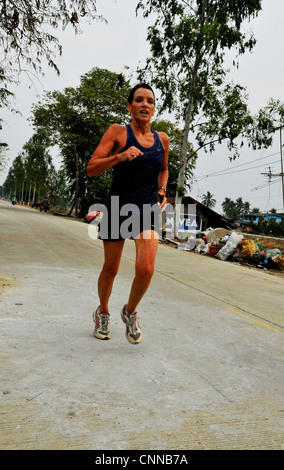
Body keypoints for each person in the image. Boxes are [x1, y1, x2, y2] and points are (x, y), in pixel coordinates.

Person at [86, 83, 169, 344]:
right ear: (129, 106)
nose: (145, 104)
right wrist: (120, 157)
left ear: (154, 108)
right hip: (118, 208)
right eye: (139, 100)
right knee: (111, 269)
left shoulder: (162, 139)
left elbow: (164, 169)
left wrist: (163, 189)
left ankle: (130, 311)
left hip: (146, 208)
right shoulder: (118, 132)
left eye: (150, 101)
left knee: (146, 269)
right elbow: (91, 168)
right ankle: (103, 312)